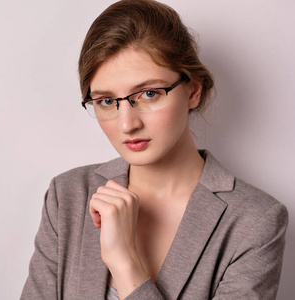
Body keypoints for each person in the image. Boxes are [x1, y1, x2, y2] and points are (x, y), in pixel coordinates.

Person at [20, 0, 288, 299]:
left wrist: (125, 263)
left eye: (149, 93)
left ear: (193, 91)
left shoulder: (254, 221)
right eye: (107, 101)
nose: (126, 124)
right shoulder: (68, 195)